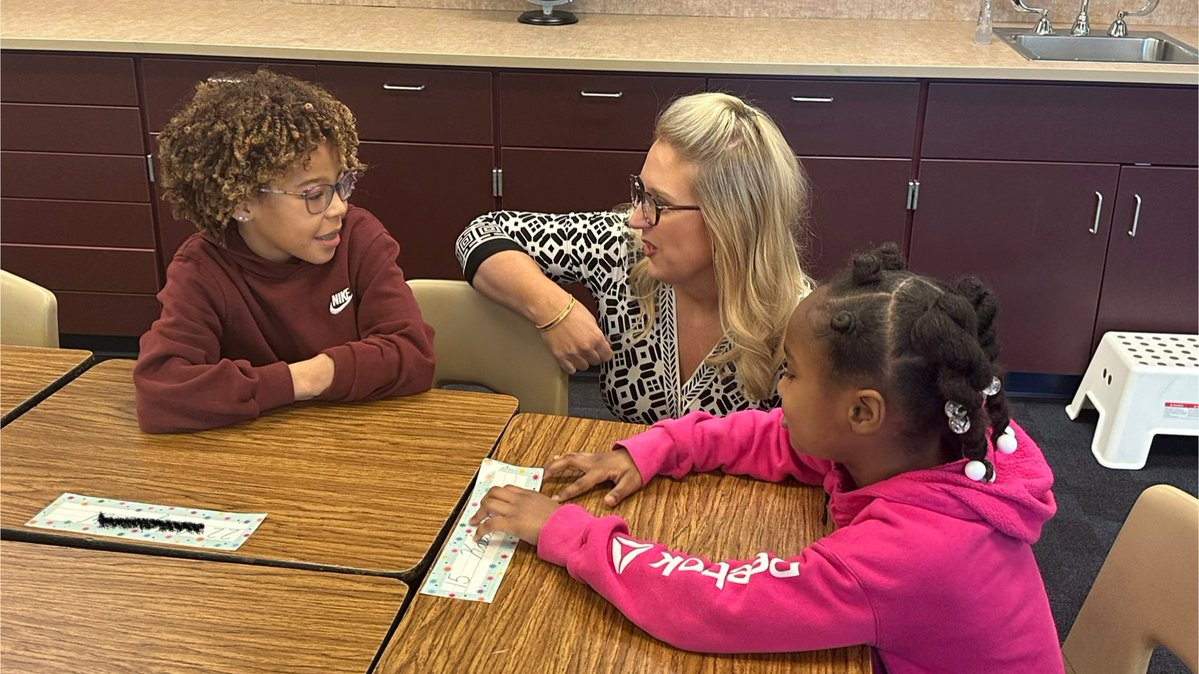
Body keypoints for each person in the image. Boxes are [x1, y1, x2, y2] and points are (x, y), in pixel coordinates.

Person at [469, 243, 1064, 673]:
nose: (780, 388)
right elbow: (776, 437)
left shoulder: (912, 553)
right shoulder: (937, 440)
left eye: (794, 373)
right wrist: (656, 447)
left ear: (862, 413)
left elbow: (720, 606)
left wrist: (569, 533)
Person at [455, 92, 813, 424]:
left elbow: (809, 467)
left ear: (729, 221)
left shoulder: (798, 322)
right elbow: (480, 234)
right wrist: (552, 309)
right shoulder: (622, 249)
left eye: (658, 203)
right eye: (641, 192)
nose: (635, 218)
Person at [134, 69, 435, 433]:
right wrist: (299, 382)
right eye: (314, 194)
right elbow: (161, 391)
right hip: (255, 453)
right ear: (242, 202)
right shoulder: (201, 269)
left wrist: (299, 378)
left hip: (361, 439)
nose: (339, 207)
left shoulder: (359, 238)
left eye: (342, 184)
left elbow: (413, 355)